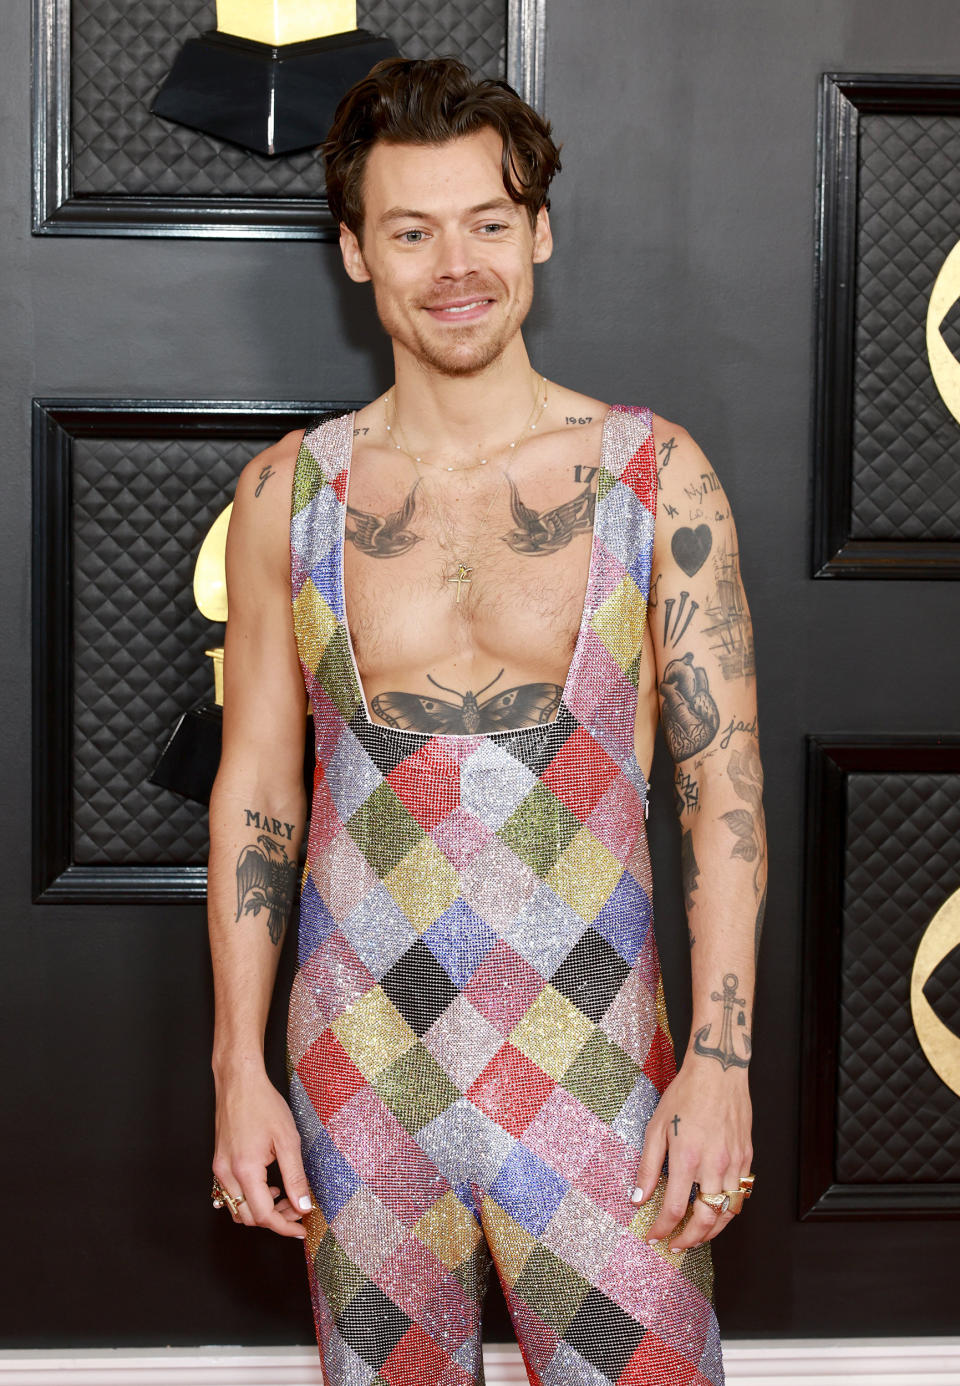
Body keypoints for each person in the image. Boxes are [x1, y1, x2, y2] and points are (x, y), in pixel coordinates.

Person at [207, 55, 765, 1386]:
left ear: (540, 234)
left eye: (488, 223)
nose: (454, 264)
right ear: (356, 250)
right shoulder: (292, 493)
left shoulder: (655, 475)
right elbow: (258, 792)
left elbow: (722, 787)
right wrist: (237, 1067)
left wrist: (725, 1066)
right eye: (411, 229)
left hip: (598, 1065)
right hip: (357, 1069)